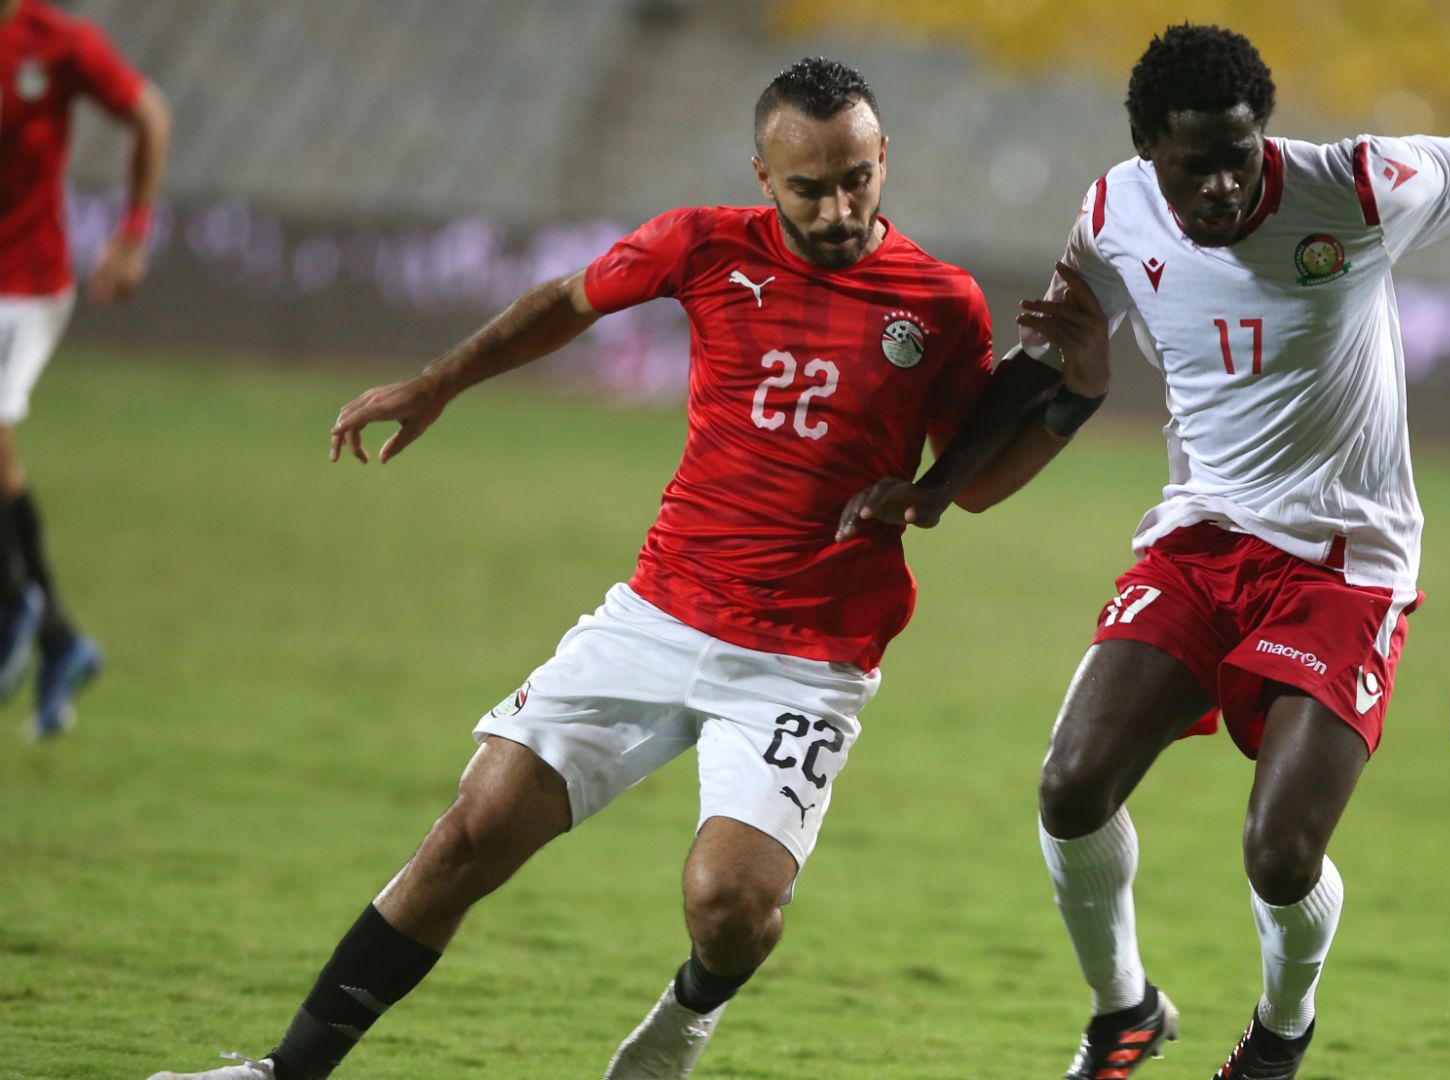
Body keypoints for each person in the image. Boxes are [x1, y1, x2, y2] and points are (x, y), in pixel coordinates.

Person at [839, 6, 1450, 1077]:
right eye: (1197, 169)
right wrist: (934, 485)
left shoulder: (1361, 186)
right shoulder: (1111, 213)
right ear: (1151, 154)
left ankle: (1281, 1034)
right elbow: (1048, 355)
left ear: (1263, 136)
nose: (1223, 187)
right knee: (1069, 787)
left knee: (1280, 853)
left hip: (1347, 564)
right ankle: (1123, 1011)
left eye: (1240, 158)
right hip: (1199, 540)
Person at [151, 58, 1021, 1080]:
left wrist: (1055, 401)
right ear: (762, 176)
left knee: (730, 907)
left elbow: (972, 477)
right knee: (469, 834)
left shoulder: (943, 303)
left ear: (883, 159)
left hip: (808, 656)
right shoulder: (701, 245)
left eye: (857, 180)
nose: (838, 207)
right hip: (657, 616)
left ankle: (690, 1013)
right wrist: (441, 384)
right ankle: (283, 1073)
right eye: (809, 187)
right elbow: (567, 302)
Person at [0, 0, 169, 738]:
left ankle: (14, 604)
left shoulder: (54, 41)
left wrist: (132, 234)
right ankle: (58, 638)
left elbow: (150, 115)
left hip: (27, 288)